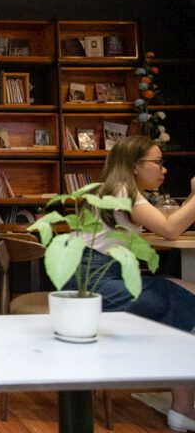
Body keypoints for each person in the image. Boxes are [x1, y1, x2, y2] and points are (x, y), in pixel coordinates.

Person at [66, 135, 195, 432]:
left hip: (93, 281)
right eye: (158, 162)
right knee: (181, 299)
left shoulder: (116, 189)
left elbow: (166, 220)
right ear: (135, 166)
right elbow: (171, 229)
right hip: (96, 287)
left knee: (183, 293)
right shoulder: (122, 191)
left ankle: (183, 404)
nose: (164, 170)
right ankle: (184, 406)